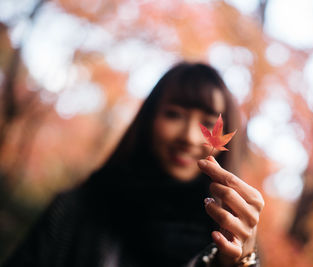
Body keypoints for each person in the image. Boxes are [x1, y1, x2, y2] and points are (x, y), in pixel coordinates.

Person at [2, 62, 264, 267]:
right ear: (149, 119)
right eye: (174, 114)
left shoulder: (233, 238)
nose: (188, 137)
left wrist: (241, 263)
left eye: (208, 123)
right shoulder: (77, 210)